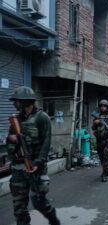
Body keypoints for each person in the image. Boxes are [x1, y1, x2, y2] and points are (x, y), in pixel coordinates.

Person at [6, 86, 61, 225]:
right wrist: (12, 140)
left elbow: (46, 142)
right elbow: (10, 140)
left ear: (26, 101)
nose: (14, 103)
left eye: (17, 101)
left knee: (39, 202)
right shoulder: (15, 120)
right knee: (19, 209)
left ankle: (53, 219)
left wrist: (38, 162)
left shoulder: (42, 117)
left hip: (36, 166)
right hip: (18, 168)